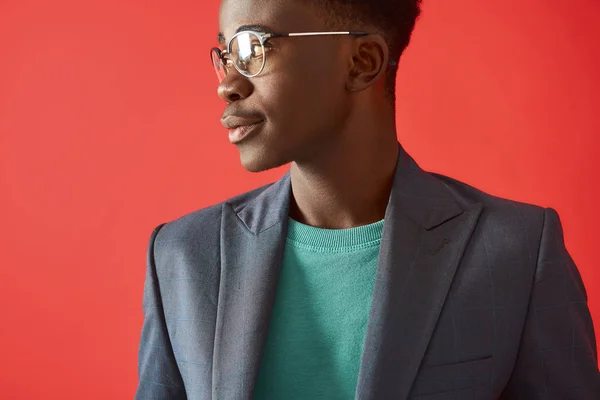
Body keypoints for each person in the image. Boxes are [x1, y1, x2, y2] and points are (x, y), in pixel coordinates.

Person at [135, 0, 600, 398]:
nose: (227, 84)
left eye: (254, 47)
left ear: (361, 62)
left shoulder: (515, 253)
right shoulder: (182, 257)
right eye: (225, 53)